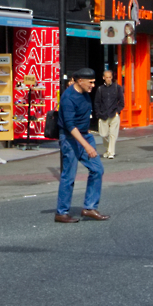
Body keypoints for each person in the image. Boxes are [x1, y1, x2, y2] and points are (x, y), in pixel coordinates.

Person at [55, 68, 106, 223]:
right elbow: (70, 126)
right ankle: (61, 212)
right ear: (79, 81)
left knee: (97, 169)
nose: (93, 85)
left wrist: (87, 131)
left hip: (84, 134)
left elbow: (83, 115)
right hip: (70, 138)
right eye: (90, 82)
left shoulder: (85, 94)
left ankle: (89, 208)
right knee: (69, 176)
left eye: (94, 82)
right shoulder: (68, 98)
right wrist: (87, 146)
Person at [93, 68, 125, 160]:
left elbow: (122, 102)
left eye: (110, 77)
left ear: (112, 78)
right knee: (103, 134)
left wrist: (117, 111)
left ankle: (111, 152)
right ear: (103, 78)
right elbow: (97, 103)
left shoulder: (117, 88)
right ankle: (108, 149)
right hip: (103, 115)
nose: (108, 79)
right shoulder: (100, 89)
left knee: (112, 134)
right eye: (106, 77)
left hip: (113, 114)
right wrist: (98, 114)